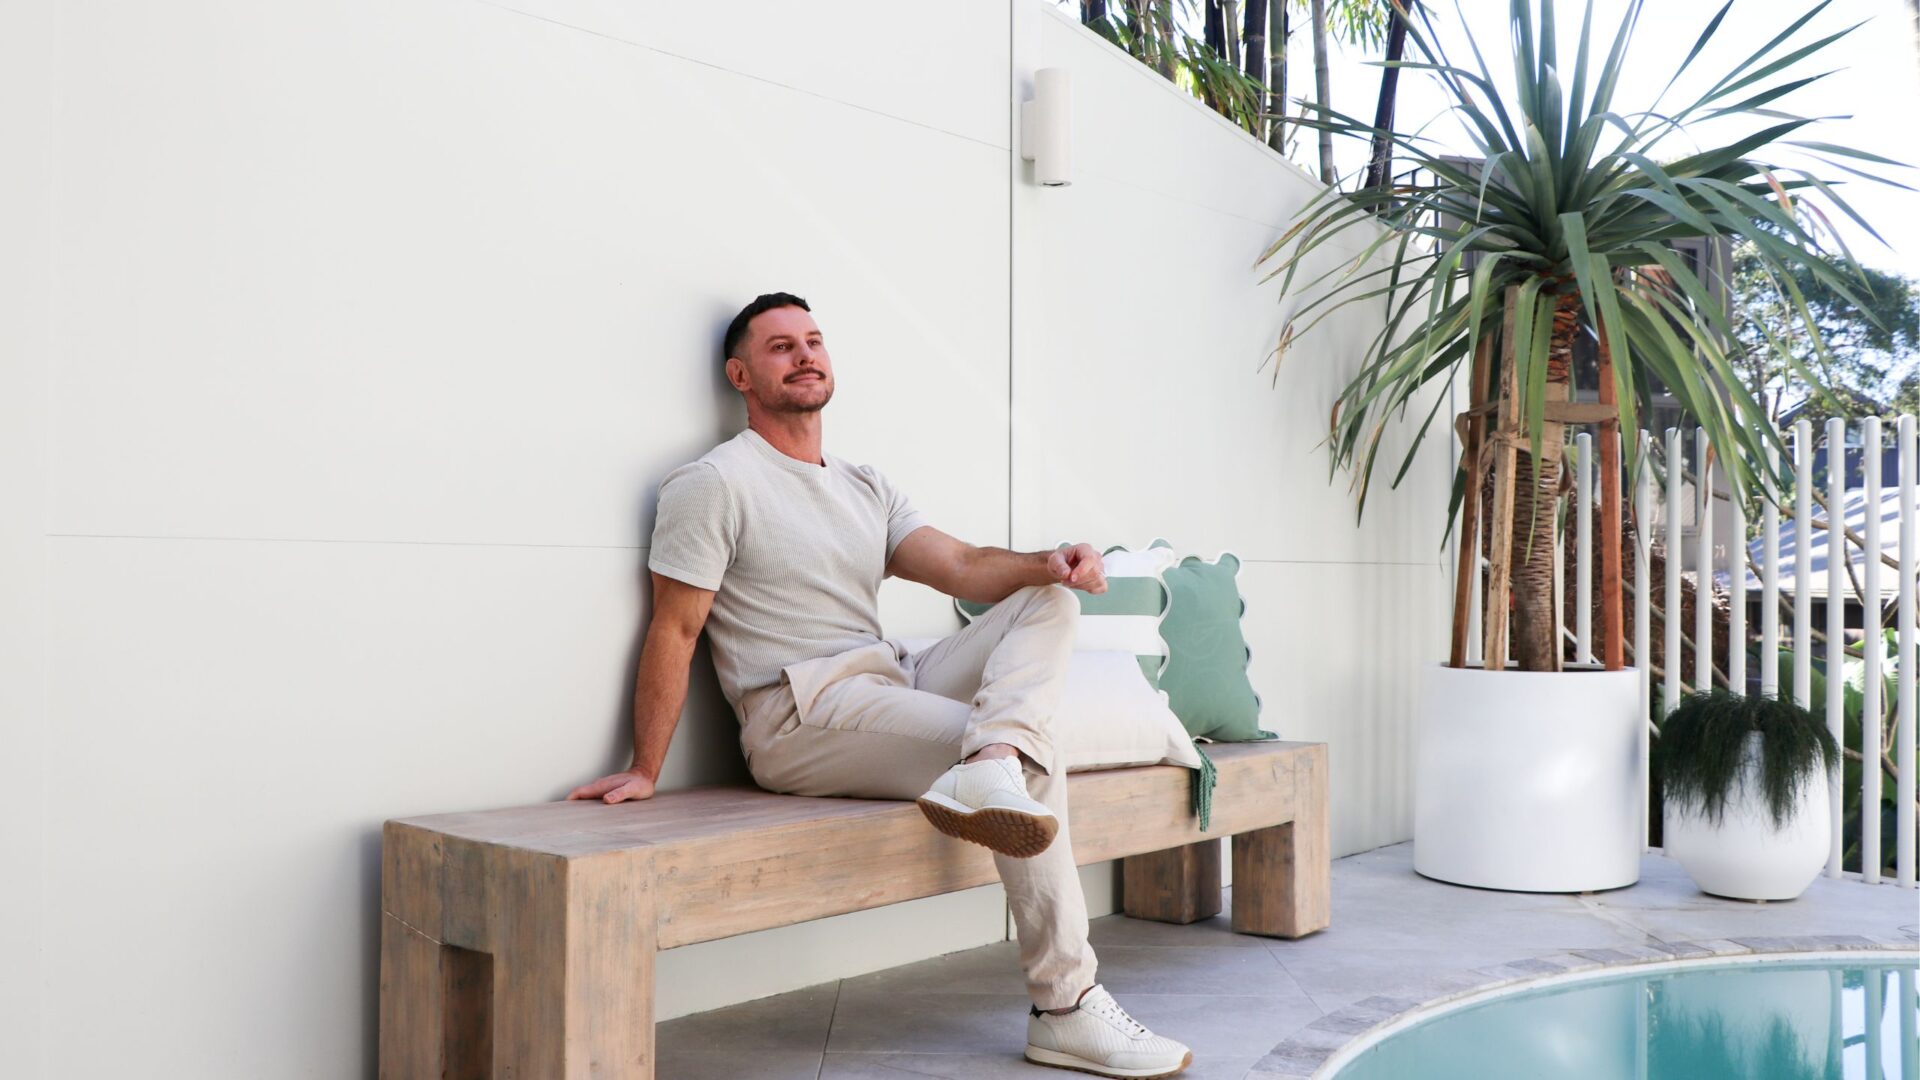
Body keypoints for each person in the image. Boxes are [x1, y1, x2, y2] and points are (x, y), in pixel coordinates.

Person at [568, 292, 1193, 1078]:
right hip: (802, 711)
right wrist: (645, 767)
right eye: (779, 347)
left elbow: (963, 568)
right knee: (1039, 759)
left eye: (814, 341)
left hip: (888, 671)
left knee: (1047, 599)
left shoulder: (864, 483)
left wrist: (1051, 559)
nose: (804, 355)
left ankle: (990, 757)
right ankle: (1064, 1008)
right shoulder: (716, 482)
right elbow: (675, 627)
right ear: (740, 375)